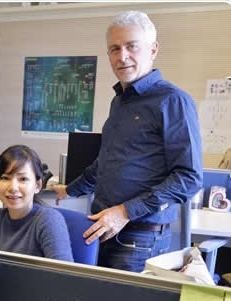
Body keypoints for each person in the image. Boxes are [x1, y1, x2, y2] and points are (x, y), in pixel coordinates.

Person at [50, 10, 202, 273]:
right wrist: (69, 190)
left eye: (132, 47)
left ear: (153, 49)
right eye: (114, 49)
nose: (122, 57)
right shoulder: (119, 101)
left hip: (139, 238)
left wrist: (124, 212)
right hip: (102, 228)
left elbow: (189, 178)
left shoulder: (173, 101)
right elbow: (107, 163)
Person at [0, 145, 73, 262]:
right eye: (5, 178)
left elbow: (65, 276)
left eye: (23, 179)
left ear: (38, 185)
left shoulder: (48, 219)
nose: (13, 187)